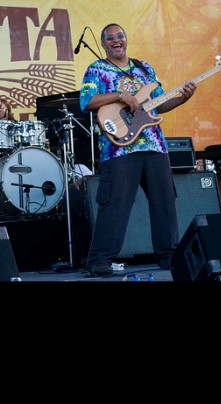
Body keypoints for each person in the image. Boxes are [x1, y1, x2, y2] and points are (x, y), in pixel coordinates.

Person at [79, 23, 197, 277]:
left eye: (120, 35)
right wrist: (120, 95)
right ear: (104, 44)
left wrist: (183, 97)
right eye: (110, 38)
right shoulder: (97, 69)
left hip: (154, 144)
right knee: (115, 204)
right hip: (118, 149)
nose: (116, 40)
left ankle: (168, 256)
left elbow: (161, 104)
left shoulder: (145, 68)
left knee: (164, 202)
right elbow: (86, 101)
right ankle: (99, 260)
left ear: (126, 38)